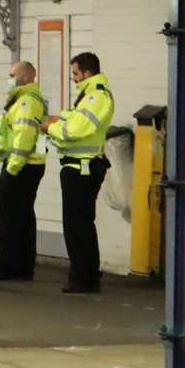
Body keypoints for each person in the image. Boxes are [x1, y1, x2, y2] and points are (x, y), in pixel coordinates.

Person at [46, 51, 114, 294]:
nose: (73, 78)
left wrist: (50, 127)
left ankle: (83, 278)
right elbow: (75, 118)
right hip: (79, 167)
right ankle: (86, 275)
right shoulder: (89, 95)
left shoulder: (96, 97)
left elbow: (75, 130)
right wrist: (61, 117)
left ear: (87, 72)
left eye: (75, 73)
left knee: (78, 227)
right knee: (80, 225)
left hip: (82, 168)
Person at [0, 60, 47, 281]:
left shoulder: (26, 102)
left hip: (21, 165)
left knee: (9, 217)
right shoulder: (29, 99)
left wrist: (11, 169)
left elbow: (23, 137)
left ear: (25, 77)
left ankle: (5, 265)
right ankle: (22, 266)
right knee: (23, 216)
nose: (9, 77)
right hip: (30, 165)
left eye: (12, 73)